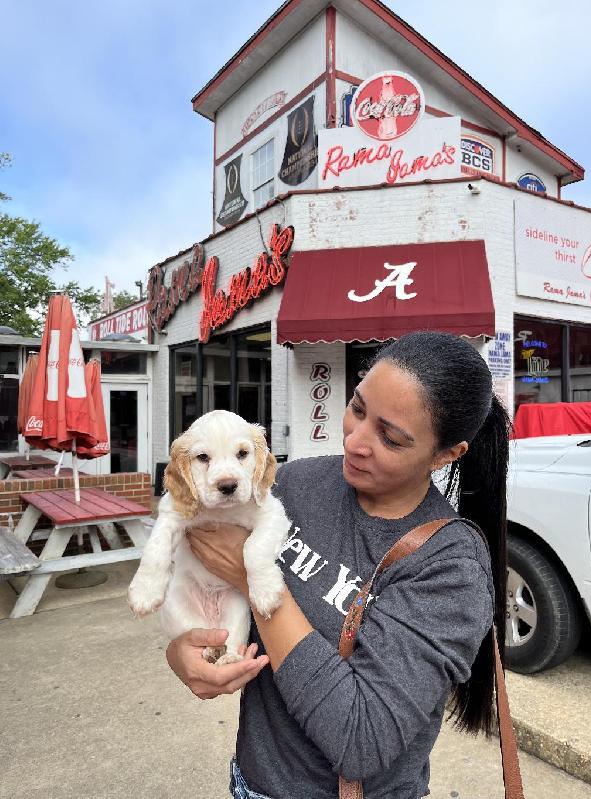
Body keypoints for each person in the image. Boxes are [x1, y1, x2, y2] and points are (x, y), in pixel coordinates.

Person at [166, 331, 510, 799]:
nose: (355, 441)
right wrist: (188, 651)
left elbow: (361, 739)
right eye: (358, 408)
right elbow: (216, 594)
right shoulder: (295, 482)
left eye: (390, 437)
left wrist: (253, 577)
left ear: (447, 454)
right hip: (251, 779)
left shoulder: (450, 567)